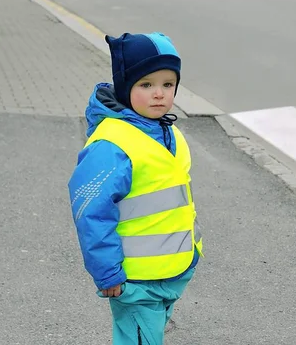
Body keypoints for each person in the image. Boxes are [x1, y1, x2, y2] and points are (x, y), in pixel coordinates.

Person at [68, 32, 203, 345]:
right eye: (146, 85)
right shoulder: (112, 146)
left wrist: (192, 253)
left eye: (168, 85)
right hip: (134, 279)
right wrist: (107, 272)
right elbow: (91, 213)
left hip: (172, 271)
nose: (159, 94)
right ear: (126, 87)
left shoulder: (169, 134)